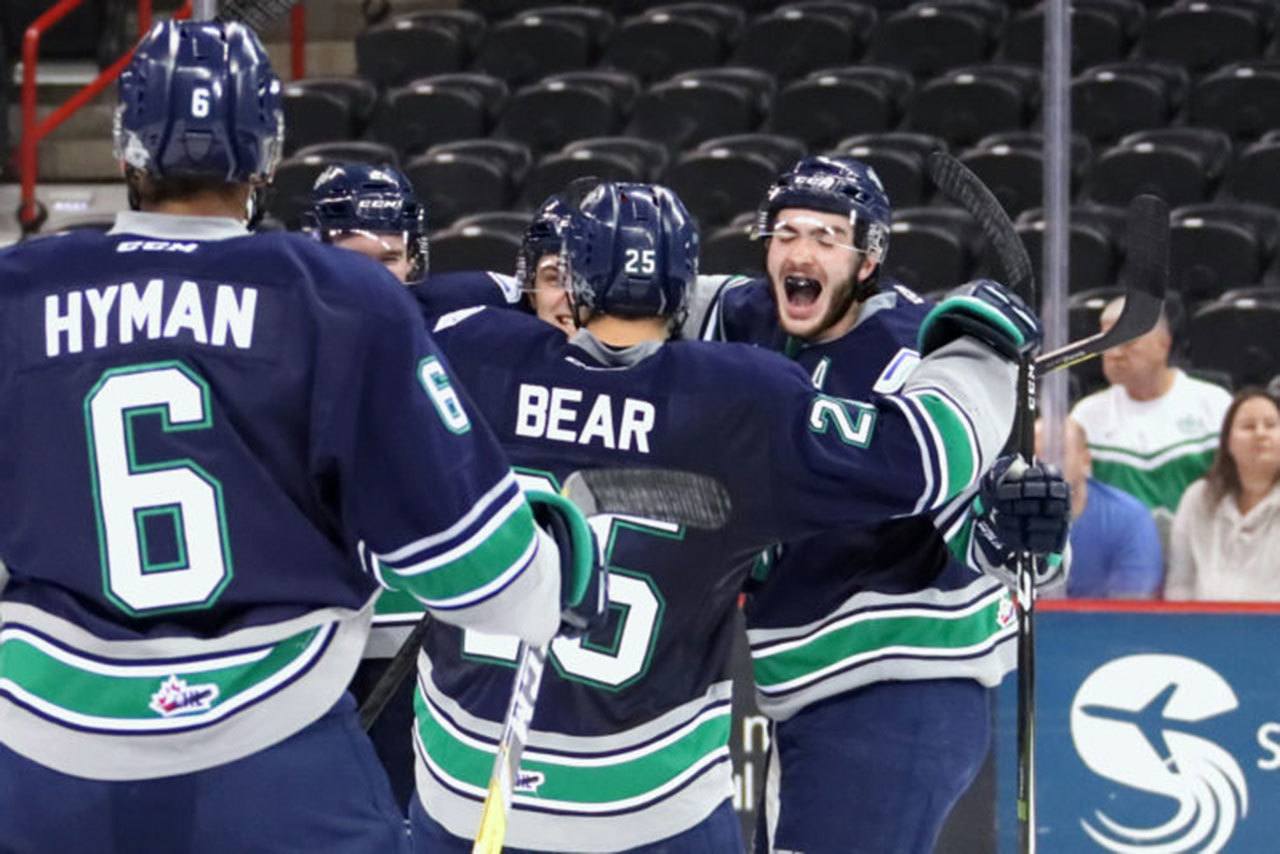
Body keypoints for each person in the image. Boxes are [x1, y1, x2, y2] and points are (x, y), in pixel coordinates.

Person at [0, 20, 599, 853]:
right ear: (266, 155)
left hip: (37, 759)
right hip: (269, 754)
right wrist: (550, 573)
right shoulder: (336, 297)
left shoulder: (17, 291)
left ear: (127, 149)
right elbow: (482, 575)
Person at [407, 181, 1044, 852]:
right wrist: (980, 356)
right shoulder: (740, 397)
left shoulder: (472, 351)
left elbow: (365, 327)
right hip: (649, 803)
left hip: (466, 783)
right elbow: (925, 458)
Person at [688, 155, 1070, 854]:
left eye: (828, 237)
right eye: (787, 232)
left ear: (868, 261)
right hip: (809, 694)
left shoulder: (911, 356)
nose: (802, 251)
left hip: (896, 688)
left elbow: (984, 525)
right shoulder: (750, 319)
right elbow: (643, 302)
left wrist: (1024, 528)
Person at [1071, 296, 1231, 522]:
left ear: (1163, 343)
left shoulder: (1214, 405)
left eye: (1126, 341)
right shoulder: (1086, 416)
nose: (1114, 353)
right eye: (1106, 342)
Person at [1166, 388, 1280, 600]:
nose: (1260, 433)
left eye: (1271, 425)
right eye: (1248, 426)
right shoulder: (1198, 497)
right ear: (1228, 443)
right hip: (1206, 627)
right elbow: (1180, 582)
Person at [1037, 418, 1163, 598]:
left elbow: (1132, 608)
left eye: (1059, 455)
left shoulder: (1129, 519)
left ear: (1085, 459)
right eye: (1036, 457)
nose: (1046, 466)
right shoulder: (1004, 520)